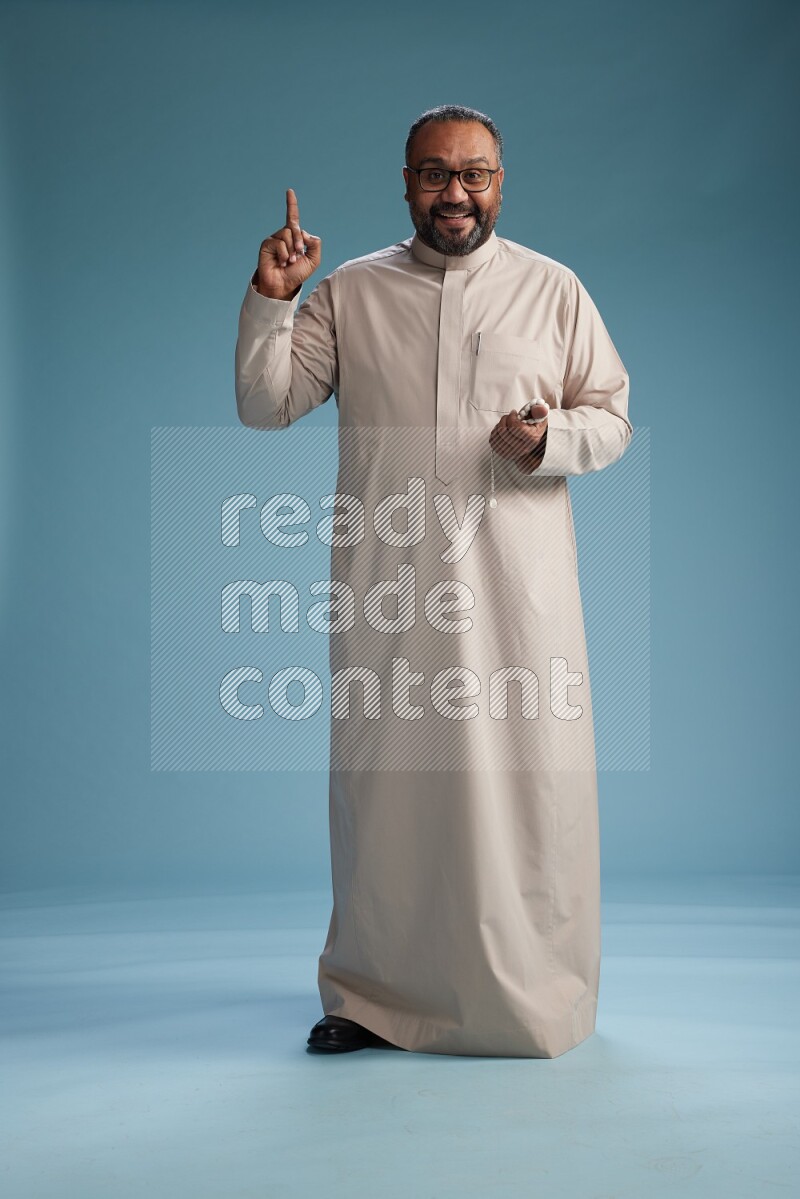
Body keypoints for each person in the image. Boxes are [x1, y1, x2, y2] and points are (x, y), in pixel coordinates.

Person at [234, 104, 633, 1057]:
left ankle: (537, 995)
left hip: (516, 596)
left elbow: (611, 417)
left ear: (501, 181)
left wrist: (548, 440)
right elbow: (265, 405)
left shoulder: (552, 289)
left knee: (530, 788)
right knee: (389, 792)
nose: (455, 192)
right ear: (405, 181)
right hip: (392, 587)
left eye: (474, 174)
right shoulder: (354, 290)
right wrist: (272, 296)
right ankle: (374, 997)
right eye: (434, 173)